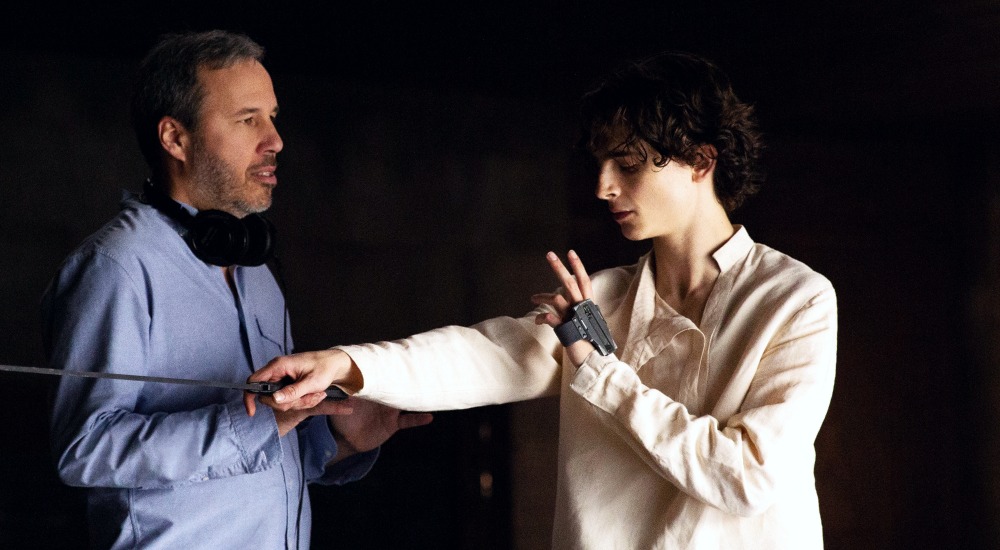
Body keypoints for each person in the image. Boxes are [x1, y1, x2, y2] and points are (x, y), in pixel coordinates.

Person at [247, 51, 837, 549]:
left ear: (701, 162)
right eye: (601, 164)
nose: (604, 186)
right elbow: (482, 355)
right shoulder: (600, 299)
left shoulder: (795, 300)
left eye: (627, 164)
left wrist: (600, 370)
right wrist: (347, 366)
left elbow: (747, 476)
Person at [43, 30, 431, 549]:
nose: (275, 140)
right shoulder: (116, 267)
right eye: (249, 120)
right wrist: (257, 426)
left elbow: (255, 453)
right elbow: (85, 451)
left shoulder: (258, 274)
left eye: (273, 118)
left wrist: (335, 435)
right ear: (175, 139)